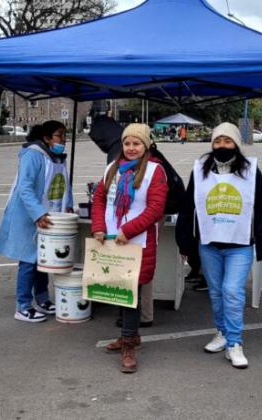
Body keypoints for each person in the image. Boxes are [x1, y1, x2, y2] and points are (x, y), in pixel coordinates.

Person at [176, 122, 262, 369]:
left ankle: (234, 343)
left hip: (240, 244)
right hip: (209, 244)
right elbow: (189, 206)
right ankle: (221, 332)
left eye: (227, 141)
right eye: (217, 141)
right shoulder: (200, 170)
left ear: (236, 145)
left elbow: (261, 207)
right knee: (216, 292)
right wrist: (184, 240)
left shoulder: (251, 171)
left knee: (232, 291)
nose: (222, 146)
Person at [91, 123, 167, 373]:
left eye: (136, 143)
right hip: (112, 241)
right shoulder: (112, 168)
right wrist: (99, 227)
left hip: (137, 243)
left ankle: (129, 345)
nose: (131, 148)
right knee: (119, 291)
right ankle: (130, 337)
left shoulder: (155, 171)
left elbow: (155, 208)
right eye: (127, 143)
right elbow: (100, 199)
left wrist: (128, 230)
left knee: (131, 295)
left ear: (146, 145)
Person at [0, 120, 73, 323]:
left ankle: (42, 298)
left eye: (65, 135)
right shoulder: (33, 155)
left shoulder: (56, 157)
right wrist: (38, 214)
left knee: (43, 259)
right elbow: (25, 188)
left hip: (49, 216)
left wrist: (69, 205)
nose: (63, 140)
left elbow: (66, 184)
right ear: (47, 138)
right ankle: (22, 306)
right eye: (59, 135)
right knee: (29, 260)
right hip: (29, 216)